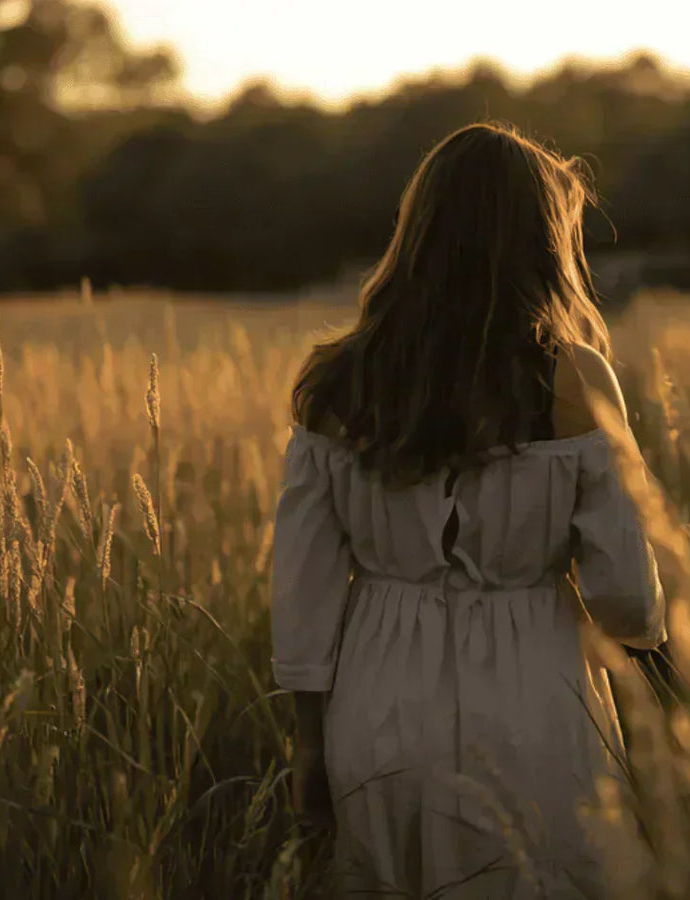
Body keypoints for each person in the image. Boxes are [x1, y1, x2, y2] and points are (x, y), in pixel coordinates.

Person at [269, 121, 667, 899]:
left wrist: (311, 754)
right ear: (541, 241)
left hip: (376, 698)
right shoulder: (575, 379)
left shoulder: (336, 382)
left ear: (417, 230)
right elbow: (626, 600)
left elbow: (303, 600)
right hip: (537, 695)